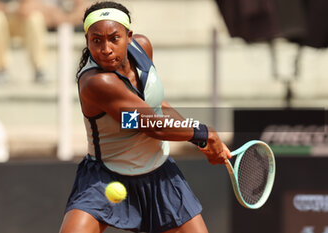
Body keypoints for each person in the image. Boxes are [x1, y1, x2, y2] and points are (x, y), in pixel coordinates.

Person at [59, 1, 231, 233]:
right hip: (105, 176)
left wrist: (199, 138)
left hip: (159, 173)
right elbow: (151, 126)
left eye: (114, 38)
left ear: (129, 36)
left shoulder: (143, 47)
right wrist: (202, 133)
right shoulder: (96, 82)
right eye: (96, 40)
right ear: (87, 40)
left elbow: (157, 107)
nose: (106, 48)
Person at [0, 0, 65, 83]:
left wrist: (23, 8)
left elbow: (29, 5)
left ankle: (39, 68)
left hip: (13, 18)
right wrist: (11, 9)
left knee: (35, 18)